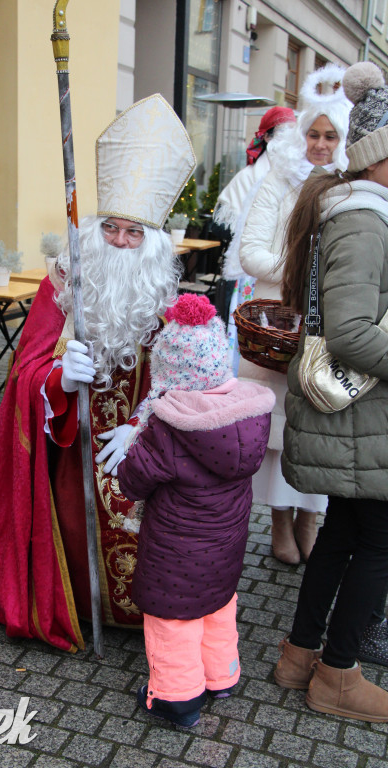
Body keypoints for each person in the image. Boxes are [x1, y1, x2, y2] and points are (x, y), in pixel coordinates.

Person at [0, 94, 197, 652]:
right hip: (70, 452)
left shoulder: (164, 298)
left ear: (153, 244)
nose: (119, 242)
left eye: (134, 233)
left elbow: (182, 382)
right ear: (94, 228)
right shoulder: (62, 284)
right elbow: (24, 374)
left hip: (139, 445)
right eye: (111, 227)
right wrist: (58, 381)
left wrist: (143, 424)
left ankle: (150, 612)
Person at [275, 61, 388, 722]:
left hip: (357, 419)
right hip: (362, 417)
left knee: (346, 532)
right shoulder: (367, 222)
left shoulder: (360, 213)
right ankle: (338, 675)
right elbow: (347, 332)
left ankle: (299, 654)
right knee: (377, 543)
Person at [115, 293, 275, 727]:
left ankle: (176, 699)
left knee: (173, 617)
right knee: (218, 604)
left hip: (175, 550)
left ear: (167, 372)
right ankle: (221, 676)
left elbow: (133, 478)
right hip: (226, 544)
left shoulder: (168, 426)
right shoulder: (249, 414)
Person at [238, 63, 352, 564]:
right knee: (278, 436)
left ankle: (311, 519)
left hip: (326, 331)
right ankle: (280, 524)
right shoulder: (277, 184)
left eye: (330, 136)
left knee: (319, 432)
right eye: (312, 133)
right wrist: (300, 274)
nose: (320, 144)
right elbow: (250, 251)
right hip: (278, 330)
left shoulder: (350, 187)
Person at [213, 106, 296, 374]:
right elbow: (222, 225)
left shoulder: (297, 175)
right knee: (247, 332)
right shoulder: (249, 176)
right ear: (268, 137)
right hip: (252, 268)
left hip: (280, 273)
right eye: (281, 132)